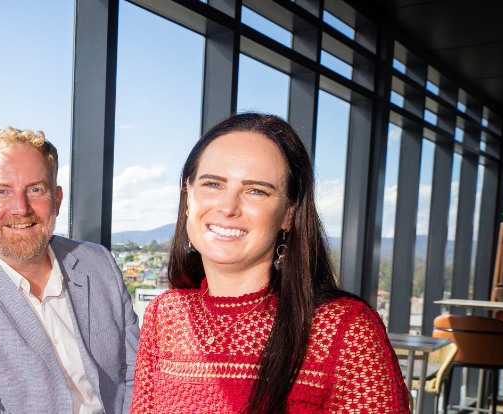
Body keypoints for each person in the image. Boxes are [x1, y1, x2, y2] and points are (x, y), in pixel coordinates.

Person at [130, 114, 409, 413]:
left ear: (289, 212)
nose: (227, 207)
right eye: (213, 184)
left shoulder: (344, 328)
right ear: (188, 196)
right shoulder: (166, 314)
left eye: (256, 190)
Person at [0, 127, 141, 414]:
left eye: (35, 190)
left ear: (57, 199)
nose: (21, 208)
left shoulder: (99, 264)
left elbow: (139, 378)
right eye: (2, 191)